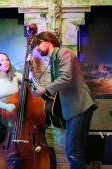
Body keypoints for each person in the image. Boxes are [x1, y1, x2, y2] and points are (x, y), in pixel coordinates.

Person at [32, 31, 98, 169]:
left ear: (48, 41)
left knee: (73, 151)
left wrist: (44, 89)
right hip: (74, 108)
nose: (36, 48)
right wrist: (42, 90)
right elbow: (60, 86)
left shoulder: (64, 53)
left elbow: (66, 78)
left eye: (38, 44)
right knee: (74, 150)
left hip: (80, 106)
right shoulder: (55, 58)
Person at [0, 52, 34, 169]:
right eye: (2, 60)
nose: (5, 62)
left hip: (13, 119)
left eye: (7, 59)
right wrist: (6, 106)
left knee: (13, 148)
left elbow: (31, 82)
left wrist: (30, 66)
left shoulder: (16, 76)